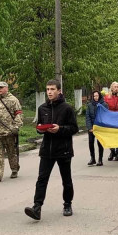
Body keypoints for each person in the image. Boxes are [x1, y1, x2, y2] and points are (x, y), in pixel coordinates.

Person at [24, 80, 79, 221]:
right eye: (47, 89)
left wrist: (60, 129)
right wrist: (40, 129)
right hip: (47, 150)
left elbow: (74, 128)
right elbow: (39, 126)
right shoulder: (42, 108)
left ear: (59, 91)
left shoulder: (67, 108)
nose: (49, 92)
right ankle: (37, 207)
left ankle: (67, 204)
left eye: (52, 89)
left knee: (66, 179)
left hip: (63, 150)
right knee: (42, 179)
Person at [104, 81, 118, 161]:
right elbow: (104, 108)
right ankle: (112, 151)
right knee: (110, 136)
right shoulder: (107, 97)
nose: (116, 88)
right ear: (111, 88)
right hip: (110, 119)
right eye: (115, 87)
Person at [85, 90, 107, 166]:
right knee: (91, 142)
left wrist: (102, 126)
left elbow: (106, 116)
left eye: (97, 96)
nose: (95, 97)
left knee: (100, 143)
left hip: (100, 127)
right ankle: (92, 158)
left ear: (99, 96)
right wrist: (90, 127)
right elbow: (87, 117)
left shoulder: (104, 104)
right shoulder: (89, 105)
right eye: (94, 96)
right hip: (91, 127)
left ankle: (100, 159)